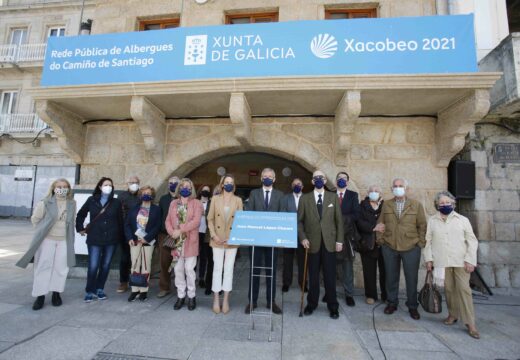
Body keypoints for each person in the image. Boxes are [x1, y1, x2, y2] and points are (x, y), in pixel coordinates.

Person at [424, 191, 480, 339]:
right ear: (437, 205)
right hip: (442, 261)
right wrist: (428, 259)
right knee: (449, 290)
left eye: (447, 202)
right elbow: (427, 241)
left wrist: (470, 260)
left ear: (453, 204)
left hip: (461, 261)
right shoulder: (432, 221)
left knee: (463, 290)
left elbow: (472, 241)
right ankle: (452, 315)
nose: (445, 205)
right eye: (441, 203)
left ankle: (470, 323)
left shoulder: (462, 220)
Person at [16, 178, 76, 310]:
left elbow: (72, 222)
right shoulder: (45, 202)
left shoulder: (72, 203)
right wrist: (42, 232)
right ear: (53, 188)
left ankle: (56, 293)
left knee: (61, 268)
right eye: (59, 186)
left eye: (65, 186)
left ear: (68, 189)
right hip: (47, 240)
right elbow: (35, 219)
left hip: (64, 240)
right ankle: (40, 296)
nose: (62, 189)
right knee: (43, 266)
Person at [375, 178, 426, 320]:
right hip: (390, 246)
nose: (398, 188)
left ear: (406, 188)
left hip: (411, 247)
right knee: (391, 277)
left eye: (400, 186)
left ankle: (412, 306)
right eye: (395, 186)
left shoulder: (416, 205)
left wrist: (420, 243)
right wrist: (381, 240)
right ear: (392, 189)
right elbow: (380, 223)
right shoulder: (387, 205)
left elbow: (422, 225)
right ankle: (392, 303)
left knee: (411, 278)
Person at [298, 170, 344, 319]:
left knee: (330, 276)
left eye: (321, 177)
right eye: (316, 178)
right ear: (312, 181)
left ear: (325, 180)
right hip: (311, 243)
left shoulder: (333, 197)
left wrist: (339, 240)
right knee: (313, 277)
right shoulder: (305, 199)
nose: (318, 179)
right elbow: (299, 221)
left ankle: (333, 306)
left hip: (330, 243)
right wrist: (303, 237)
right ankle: (312, 304)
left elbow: (339, 221)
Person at [76, 177, 124, 303]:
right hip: (95, 238)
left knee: (106, 265)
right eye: (106, 184)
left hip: (111, 239)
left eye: (110, 185)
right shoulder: (91, 200)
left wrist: (121, 236)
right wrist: (80, 228)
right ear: (100, 186)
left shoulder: (116, 202)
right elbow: (81, 214)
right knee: (93, 265)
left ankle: (99, 289)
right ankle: (89, 291)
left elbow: (120, 220)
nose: (108, 187)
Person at [245, 168, 284, 315]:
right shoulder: (254, 193)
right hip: (256, 240)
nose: (267, 178)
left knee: (272, 272)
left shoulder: (280, 195)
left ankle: (271, 301)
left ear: (274, 179)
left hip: (272, 241)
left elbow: (282, 216)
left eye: (270, 177)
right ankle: (252, 301)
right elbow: (249, 213)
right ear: (261, 178)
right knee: (254, 271)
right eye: (265, 176)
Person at [165, 178, 203, 311]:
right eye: (182, 186)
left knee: (189, 270)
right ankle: (181, 296)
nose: (185, 188)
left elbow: (196, 221)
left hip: (190, 241)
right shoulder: (173, 203)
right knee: (178, 270)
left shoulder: (197, 203)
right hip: (177, 242)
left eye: (188, 186)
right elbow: (168, 221)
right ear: (179, 188)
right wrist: (172, 232)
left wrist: (180, 230)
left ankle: (191, 296)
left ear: (191, 188)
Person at [207, 174, 243, 314]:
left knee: (228, 270)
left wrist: (233, 237)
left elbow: (240, 221)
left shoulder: (238, 200)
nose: (228, 184)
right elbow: (210, 219)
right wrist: (214, 236)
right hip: (217, 240)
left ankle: (226, 299)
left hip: (231, 241)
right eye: (226, 182)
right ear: (222, 184)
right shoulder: (215, 199)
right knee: (217, 269)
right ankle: (216, 299)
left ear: (234, 185)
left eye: (231, 183)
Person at [124, 186, 161, 302]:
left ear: (152, 195)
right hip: (135, 241)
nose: (146, 194)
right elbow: (127, 224)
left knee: (146, 266)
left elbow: (158, 226)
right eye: (144, 193)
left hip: (148, 242)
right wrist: (129, 237)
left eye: (149, 193)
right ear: (140, 195)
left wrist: (148, 238)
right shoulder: (134, 209)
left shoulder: (156, 209)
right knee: (135, 264)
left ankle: (144, 291)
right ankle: (134, 290)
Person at [356, 185, 387, 305]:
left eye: (377, 191)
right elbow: (358, 222)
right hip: (367, 243)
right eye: (372, 191)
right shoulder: (362, 206)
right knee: (369, 271)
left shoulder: (386, 206)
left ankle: (386, 295)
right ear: (368, 193)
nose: (374, 193)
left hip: (383, 243)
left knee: (386, 271)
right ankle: (370, 295)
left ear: (381, 193)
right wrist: (373, 227)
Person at [335, 171, 360, 307]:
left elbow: (356, 214)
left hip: (347, 235)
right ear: (335, 181)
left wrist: (342, 220)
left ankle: (349, 294)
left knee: (347, 266)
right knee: (330, 265)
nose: (341, 180)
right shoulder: (330, 195)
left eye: (344, 179)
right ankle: (330, 292)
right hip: (332, 235)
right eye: (339, 179)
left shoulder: (353, 195)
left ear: (348, 181)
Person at [281, 178, 307, 293]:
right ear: (292, 186)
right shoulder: (285, 198)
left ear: (303, 186)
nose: (297, 185)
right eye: (295, 184)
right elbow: (282, 214)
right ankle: (286, 283)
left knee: (303, 261)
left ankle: (303, 283)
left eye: (299, 184)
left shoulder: (307, 198)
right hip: (288, 234)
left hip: (303, 235)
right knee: (287, 261)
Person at [117, 175, 141, 293]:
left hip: (139, 231)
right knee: (125, 258)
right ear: (127, 183)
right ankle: (123, 282)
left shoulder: (141, 196)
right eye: (131, 182)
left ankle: (136, 281)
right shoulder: (122, 196)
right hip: (125, 231)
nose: (134, 184)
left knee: (137, 259)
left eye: (136, 182)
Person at [156, 175, 179, 298]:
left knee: (180, 263)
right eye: (171, 182)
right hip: (164, 235)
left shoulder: (183, 198)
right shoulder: (163, 199)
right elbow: (160, 217)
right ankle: (164, 287)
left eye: (176, 182)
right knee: (164, 262)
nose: (173, 184)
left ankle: (180, 287)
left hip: (180, 235)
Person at [197, 184, 213, 294]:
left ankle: (201, 278)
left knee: (204, 257)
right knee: (194, 256)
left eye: (207, 190)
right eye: (204, 190)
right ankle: (192, 277)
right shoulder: (196, 202)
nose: (205, 192)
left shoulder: (211, 203)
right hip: (196, 232)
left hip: (206, 233)